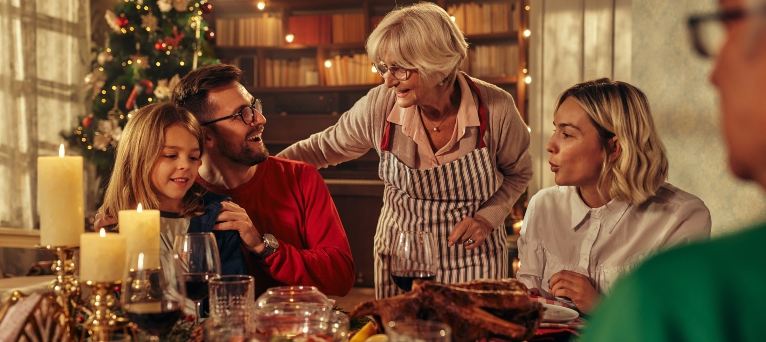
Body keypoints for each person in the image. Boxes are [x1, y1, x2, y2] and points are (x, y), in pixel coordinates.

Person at [568, 0, 766, 342]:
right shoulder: (544, 206)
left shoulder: (671, 297)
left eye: (730, 23)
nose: (713, 74)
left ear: (614, 146)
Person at [278, 2, 532, 298]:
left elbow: (519, 173)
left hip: (474, 257)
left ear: (436, 64)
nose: (387, 80)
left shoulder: (497, 108)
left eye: (399, 69)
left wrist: (488, 218)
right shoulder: (380, 104)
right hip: (402, 257)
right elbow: (320, 150)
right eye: (385, 67)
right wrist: (259, 170)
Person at [516, 79, 711, 313]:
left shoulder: (681, 216)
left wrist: (601, 306)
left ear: (614, 148)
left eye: (567, 134)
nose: (550, 145)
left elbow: (677, 326)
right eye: (555, 130)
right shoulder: (543, 206)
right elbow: (528, 295)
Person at [170, 64, 355, 297]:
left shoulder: (301, 177)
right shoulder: (179, 192)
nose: (260, 119)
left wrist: (262, 246)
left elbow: (340, 277)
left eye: (254, 107)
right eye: (242, 114)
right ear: (206, 136)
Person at [96, 102, 246, 276]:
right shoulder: (113, 222)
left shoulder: (218, 218)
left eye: (193, 157)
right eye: (171, 155)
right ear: (138, 158)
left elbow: (231, 292)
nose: (185, 165)